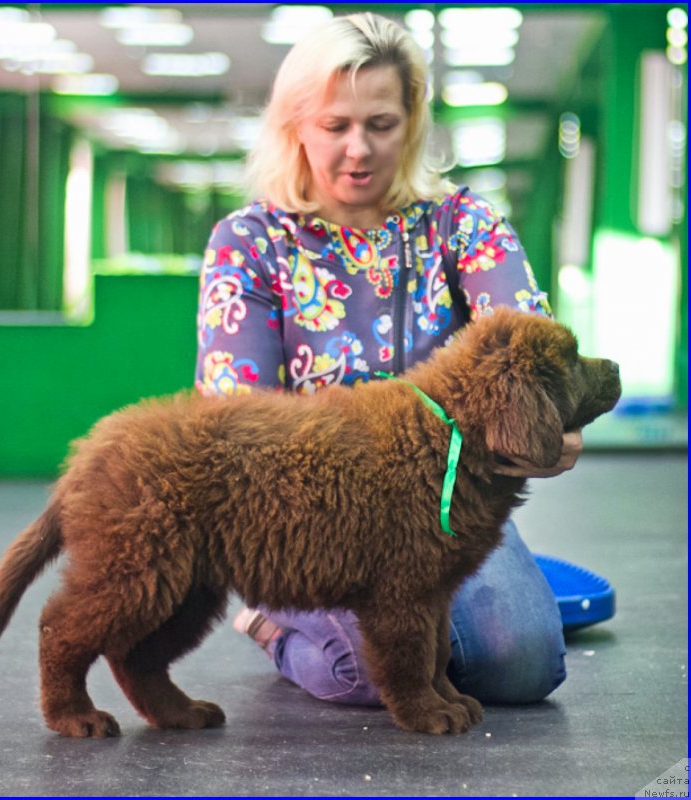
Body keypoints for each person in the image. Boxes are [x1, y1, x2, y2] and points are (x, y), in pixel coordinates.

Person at [194, 12, 583, 706]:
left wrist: (552, 429)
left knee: (520, 664)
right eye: (335, 125)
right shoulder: (247, 241)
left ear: (412, 124)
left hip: (446, 505)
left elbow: (537, 369)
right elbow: (234, 428)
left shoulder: (464, 223)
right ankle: (267, 620)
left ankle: (434, 633)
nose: (358, 149)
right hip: (306, 520)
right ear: (296, 126)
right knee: (376, 676)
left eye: (380, 123)